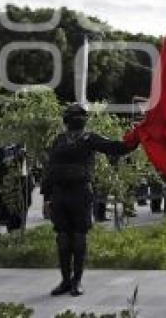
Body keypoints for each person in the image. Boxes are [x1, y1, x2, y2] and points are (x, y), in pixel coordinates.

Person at [42, 104, 135, 297]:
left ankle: (77, 281)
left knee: (78, 238)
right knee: (63, 239)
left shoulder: (89, 138)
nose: (77, 119)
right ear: (66, 120)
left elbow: (116, 148)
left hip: (80, 192)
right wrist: (46, 197)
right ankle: (65, 281)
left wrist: (136, 138)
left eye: (80, 116)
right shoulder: (58, 140)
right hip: (59, 194)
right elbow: (49, 169)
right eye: (73, 115)